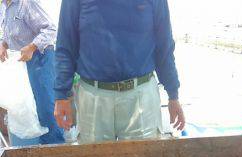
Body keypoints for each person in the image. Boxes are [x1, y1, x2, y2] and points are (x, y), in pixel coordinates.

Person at [54, 0, 185, 144]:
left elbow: (164, 46)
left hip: (140, 96)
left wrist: (173, 95)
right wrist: (61, 95)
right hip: (92, 97)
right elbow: (65, 46)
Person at [0, 0, 64, 146]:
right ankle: (38, 150)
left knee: (46, 107)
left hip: (40, 58)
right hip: (21, 62)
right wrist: (3, 44)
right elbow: (8, 34)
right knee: (28, 109)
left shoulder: (27, 3)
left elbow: (50, 29)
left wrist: (31, 47)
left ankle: (55, 149)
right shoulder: (4, 6)